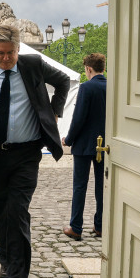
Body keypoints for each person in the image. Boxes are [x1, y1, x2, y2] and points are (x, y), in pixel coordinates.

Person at [0, 25, 70, 278]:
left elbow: (64, 82)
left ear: (18, 49)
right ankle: (6, 258)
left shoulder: (33, 65)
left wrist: (54, 113)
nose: (5, 58)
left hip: (26, 154)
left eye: (10, 53)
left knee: (17, 211)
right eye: (0, 53)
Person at [62, 53, 107, 241]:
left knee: (80, 186)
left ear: (88, 69)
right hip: (104, 144)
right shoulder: (112, 86)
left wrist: (69, 139)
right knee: (101, 186)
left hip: (84, 144)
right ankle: (100, 226)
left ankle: (76, 226)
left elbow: (79, 117)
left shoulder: (87, 87)